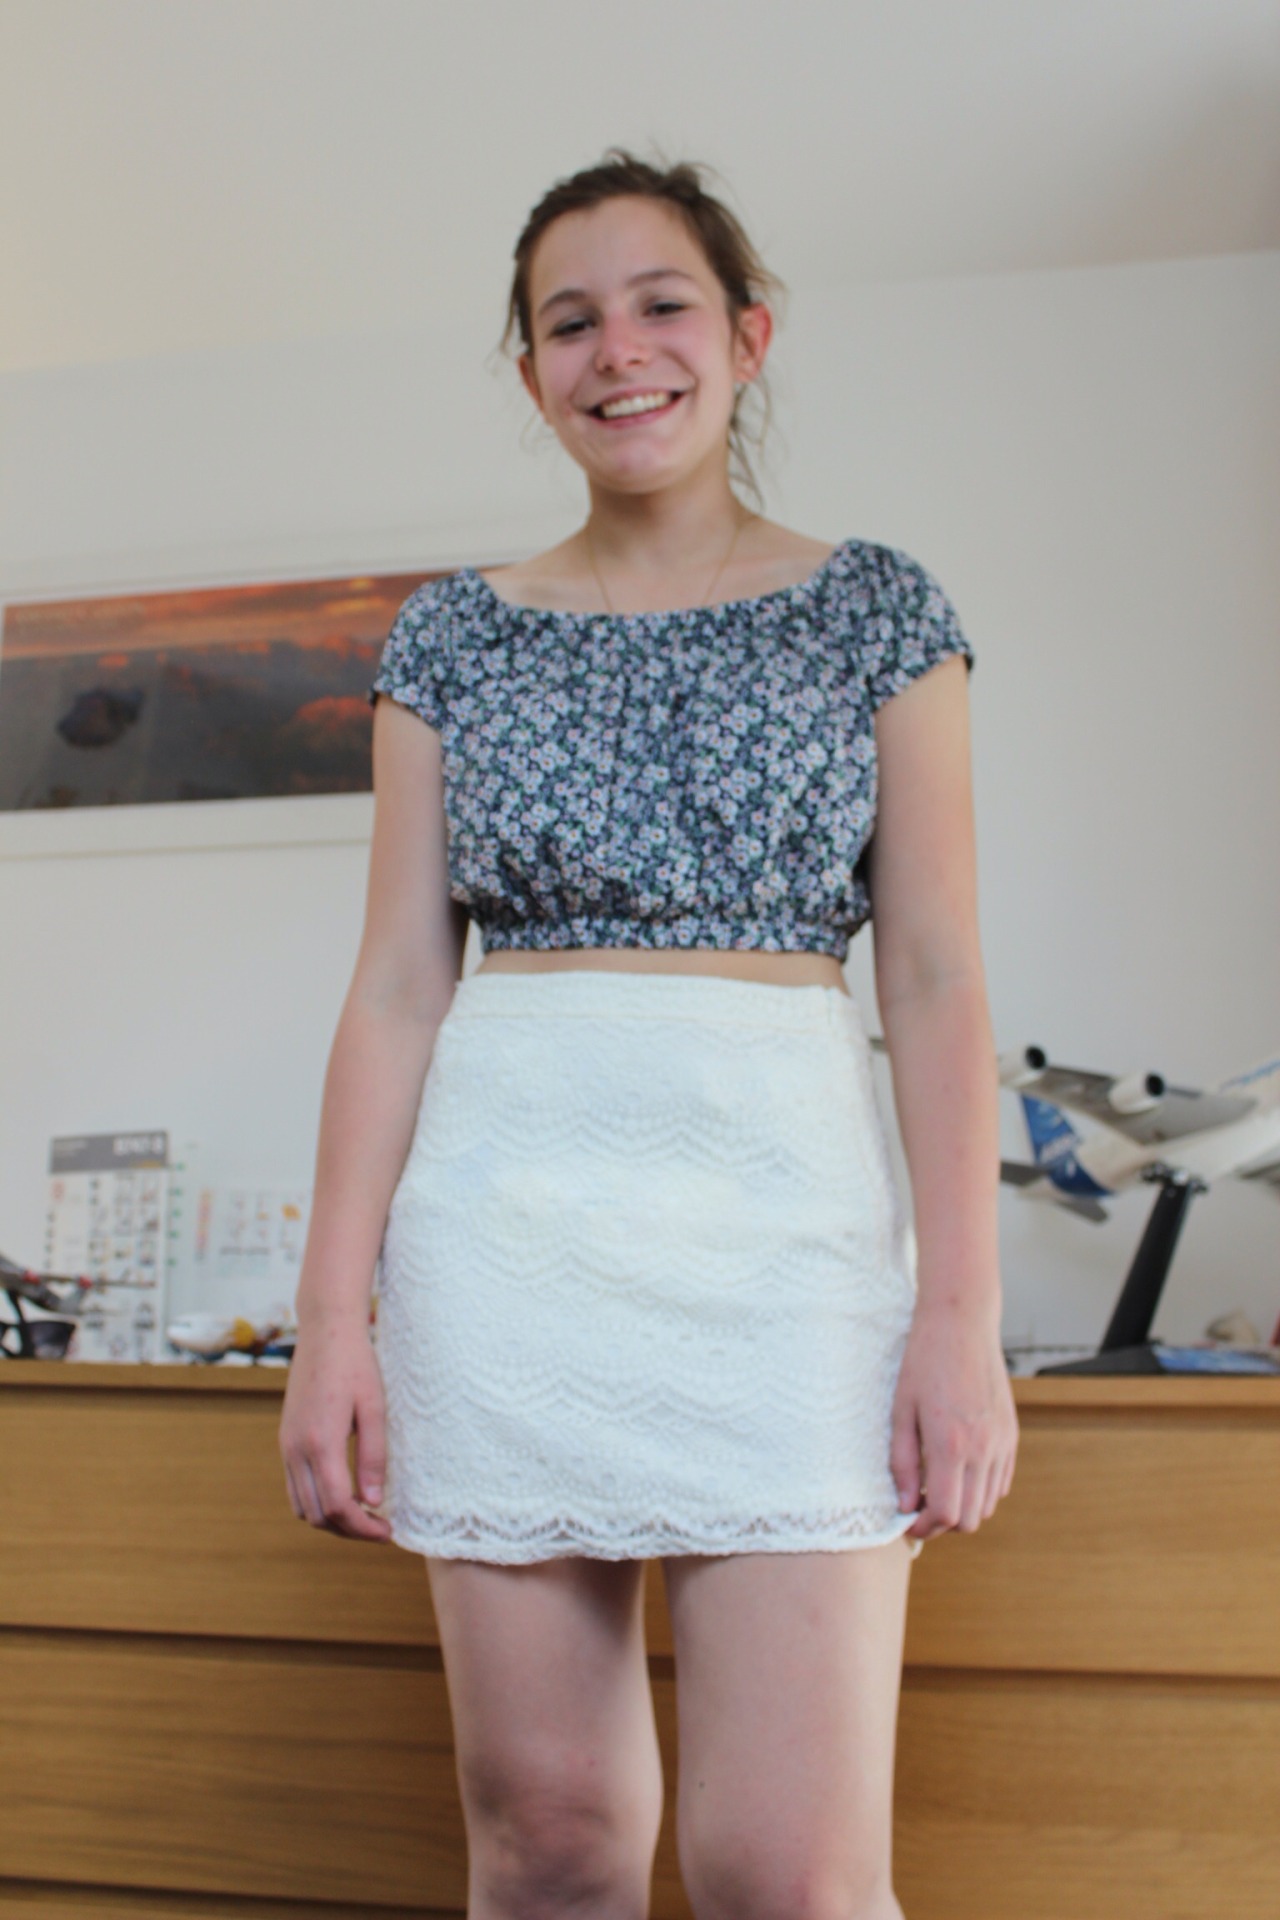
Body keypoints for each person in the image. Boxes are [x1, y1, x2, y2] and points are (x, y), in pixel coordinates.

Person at [280, 149, 1019, 1920]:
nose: (620, 349)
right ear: (531, 368)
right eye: (570, 321)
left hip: (788, 1261)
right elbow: (396, 985)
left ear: (748, 335)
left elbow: (933, 974)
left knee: (788, 1874)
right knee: (550, 1843)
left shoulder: (877, 610)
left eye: (663, 304)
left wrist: (961, 1316)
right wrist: (332, 1322)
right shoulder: (451, 637)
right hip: (506, 1252)